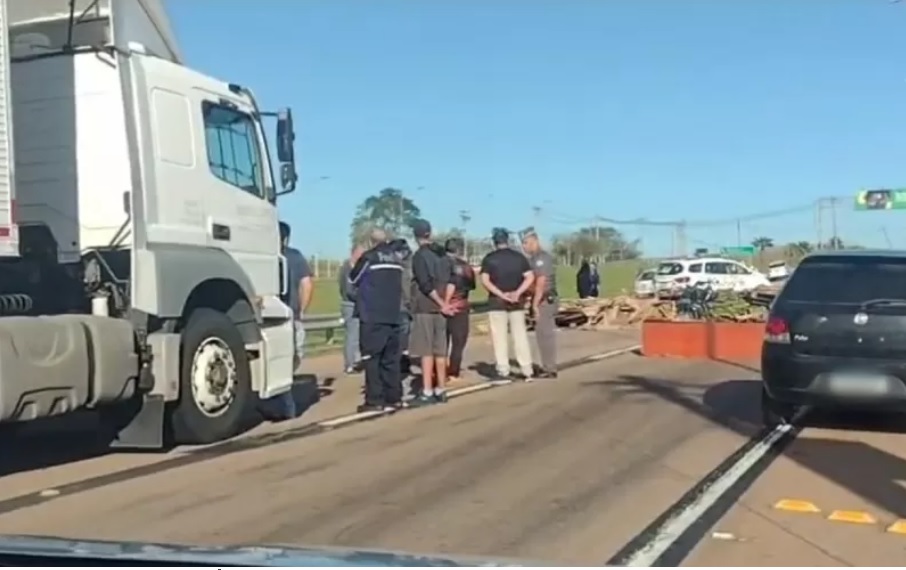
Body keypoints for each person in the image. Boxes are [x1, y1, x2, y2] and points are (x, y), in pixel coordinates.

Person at [349, 228, 410, 413]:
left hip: (372, 315)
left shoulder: (369, 258)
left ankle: (374, 400)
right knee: (391, 360)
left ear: (371, 241)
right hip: (393, 314)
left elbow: (354, 279)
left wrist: (355, 261)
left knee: (372, 359)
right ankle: (394, 397)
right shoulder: (397, 260)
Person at [409, 219, 455, 405]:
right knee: (441, 350)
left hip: (426, 308)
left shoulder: (419, 256)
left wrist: (439, 302)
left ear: (416, 235)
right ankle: (441, 388)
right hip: (442, 308)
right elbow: (453, 279)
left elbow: (424, 284)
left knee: (426, 351)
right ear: (429, 233)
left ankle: (427, 390)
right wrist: (446, 302)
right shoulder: (443, 255)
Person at [270, 221, 313, 420]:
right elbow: (307, 285)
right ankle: (286, 403)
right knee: (292, 359)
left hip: (268, 316)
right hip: (291, 316)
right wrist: (301, 311)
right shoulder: (295, 257)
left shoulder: (266, 256)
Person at [479, 227, 534, 381]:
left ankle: (503, 370)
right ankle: (526, 369)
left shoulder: (489, 259)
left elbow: (485, 280)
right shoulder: (519, 258)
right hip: (517, 302)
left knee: (499, 337)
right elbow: (529, 277)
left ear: (494, 241)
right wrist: (517, 292)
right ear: (507, 240)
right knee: (520, 335)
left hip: (497, 302)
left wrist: (500, 293)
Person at [521, 226, 558, 379]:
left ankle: (549, 368)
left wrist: (535, 305)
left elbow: (541, 282)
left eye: (526, 243)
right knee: (541, 334)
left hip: (545, 300)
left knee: (545, 334)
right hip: (540, 298)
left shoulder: (541, 258)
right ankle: (546, 366)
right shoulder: (533, 259)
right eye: (523, 243)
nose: (524, 246)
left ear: (534, 241)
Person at [444, 237, 476, 381]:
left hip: (437, 305)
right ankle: (453, 371)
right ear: (459, 250)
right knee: (458, 341)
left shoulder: (436, 264)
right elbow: (470, 285)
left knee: (440, 342)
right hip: (459, 306)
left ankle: (439, 370)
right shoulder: (465, 267)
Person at [338, 244, 365, 374]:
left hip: (354, 304)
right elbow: (349, 290)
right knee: (352, 335)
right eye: (360, 253)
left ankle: (355, 361)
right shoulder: (347, 269)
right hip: (350, 305)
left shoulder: (356, 268)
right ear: (354, 253)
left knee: (357, 335)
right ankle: (350, 364)